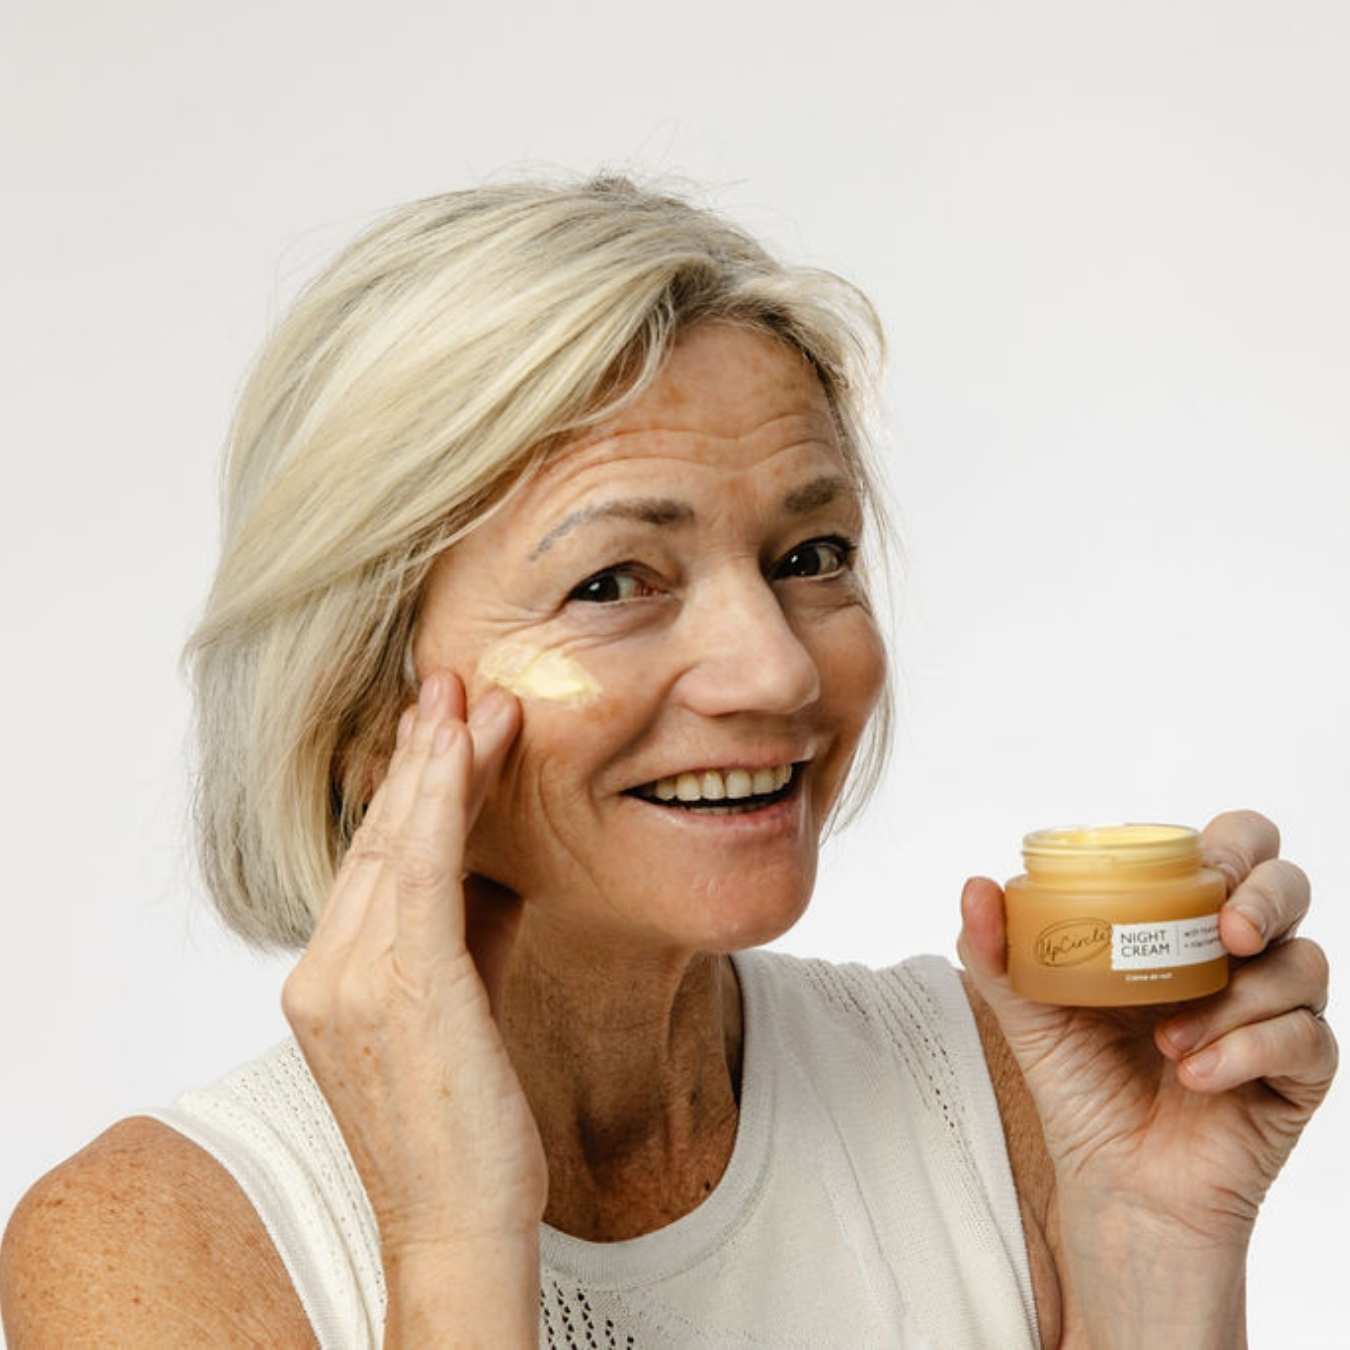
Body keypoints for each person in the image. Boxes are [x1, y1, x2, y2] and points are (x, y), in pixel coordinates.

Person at [0, 172, 1336, 1349]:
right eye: (613, 579)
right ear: (355, 701)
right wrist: (453, 1234)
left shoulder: (1012, 1092)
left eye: (809, 556)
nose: (778, 672)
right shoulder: (154, 1245)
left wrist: (1155, 1259)